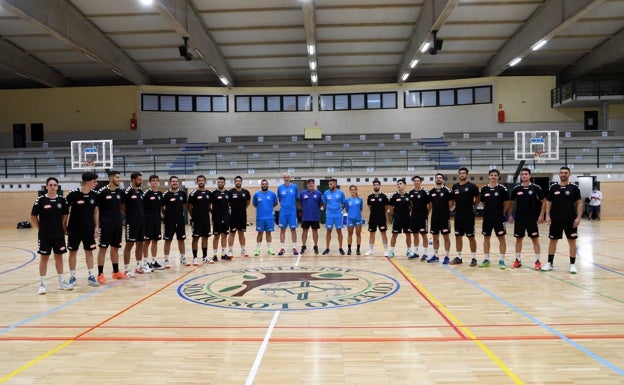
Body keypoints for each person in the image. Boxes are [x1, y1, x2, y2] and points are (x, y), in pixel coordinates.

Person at [31, 177, 71, 294]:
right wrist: (40, 229)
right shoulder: (41, 200)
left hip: (58, 235)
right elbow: (33, 216)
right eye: (51, 185)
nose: (53, 187)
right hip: (45, 235)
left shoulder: (62, 200)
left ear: (57, 187)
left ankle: (61, 282)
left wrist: (63, 228)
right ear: (46, 187)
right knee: (44, 258)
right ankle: (42, 284)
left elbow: (65, 215)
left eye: (55, 185)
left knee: (59, 258)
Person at [543, 166, 582, 273]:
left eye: (565, 172)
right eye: (561, 173)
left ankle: (572, 264)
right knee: (552, 241)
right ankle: (550, 263)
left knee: (572, 242)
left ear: (569, 174)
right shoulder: (553, 187)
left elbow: (579, 203)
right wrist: (547, 215)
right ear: (559, 174)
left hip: (570, 220)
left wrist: (578, 217)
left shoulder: (574, 188)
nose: (563, 174)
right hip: (555, 219)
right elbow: (548, 202)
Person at [66, 172, 100, 287]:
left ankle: (91, 275)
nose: (96, 183)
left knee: (89, 251)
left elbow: (96, 211)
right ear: (88, 182)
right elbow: (65, 213)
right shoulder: (73, 195)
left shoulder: (95, 195)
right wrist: (64, 226)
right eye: (95, 181)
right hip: (74, 229)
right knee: (72, 252)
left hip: (89, 229)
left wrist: (96, 227)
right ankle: (72, 276)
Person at [509, 167, 546, 270]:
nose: (524, 176)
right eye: (522, 174)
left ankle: (538, 261)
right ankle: (517, 260)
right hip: (520, 219)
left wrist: (541, 215)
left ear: (530, 176)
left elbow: (544, 201)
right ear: (520, 176)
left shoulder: (536, 188)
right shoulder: (516, 188)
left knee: (535, 240)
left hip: (532, 219)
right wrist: (510, 215)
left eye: (526, 174)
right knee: (518, 240)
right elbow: (511, 203)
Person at [96, 170, 125, 283]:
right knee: (103, 249)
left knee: (115, 248)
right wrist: (97, 225)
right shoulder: (102, 191)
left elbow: (122, 207)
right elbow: (96, 209)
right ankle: (100, 274)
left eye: (119, 177)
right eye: (117, 177)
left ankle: (116, 272)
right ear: (111, 178)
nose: (119, 179)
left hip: (117, 224)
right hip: (105, 224)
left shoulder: (120, 192)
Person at [478, 169, 510, 269]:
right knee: (486, 238)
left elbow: (507, 203)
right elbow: (483, 203)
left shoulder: (502, 189)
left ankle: (502, 260)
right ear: (489, 176)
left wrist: (501, 213)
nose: (493, 176)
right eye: (491, 175)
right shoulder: (484, 189)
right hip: (487, 218)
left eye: (495, 175)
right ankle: (486, 259)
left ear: (498, 177)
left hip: (499, 219)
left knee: (502, 239)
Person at [122, 171, 150, 277]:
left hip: (141, 222)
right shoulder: (127, 191)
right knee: (129, 245)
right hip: (131, 222)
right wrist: (129, 215)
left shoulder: (140, 191)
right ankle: (126, 269)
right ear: (133, 180)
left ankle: (138, 267)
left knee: (140, 243)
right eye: (139, 179)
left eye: (141, 179)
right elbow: (121, 205)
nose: (141, 181)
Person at [450, 167, 480, 267]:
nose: (462, 175)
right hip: (458, 216)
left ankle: (474, 258)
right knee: (458, 236)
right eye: (460, 173)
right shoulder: (455, 187)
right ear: (459, 175)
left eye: (464, 173)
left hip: (469, 216)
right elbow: (452, 200)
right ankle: (459, 257)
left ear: (467, 175)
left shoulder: (472, 186)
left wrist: (474, 206)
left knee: (471, 236)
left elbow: (478, 198)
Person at [427, 173, 453, 264]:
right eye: (437, 178)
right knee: (435, 237)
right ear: (435, 180)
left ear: (443, 180)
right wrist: (427, 214)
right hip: (434, 218)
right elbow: (430, 205)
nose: (438, 179)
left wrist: (444, 211)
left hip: (444, 218)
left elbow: (451, 204)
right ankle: (436, 256)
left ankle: (447, 256)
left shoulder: (447, 191)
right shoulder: (431, 191)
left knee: (446, 237)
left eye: (440, 178)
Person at [162, 175, 187, 267]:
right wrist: (167, 215)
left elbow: (184, 205)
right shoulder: (165, 194)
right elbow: (161, 207)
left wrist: (179, 214)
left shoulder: (182, 193)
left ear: (178, 182)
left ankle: (183, 258)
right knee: (168, 240)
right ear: (170, 182)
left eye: (176, 181)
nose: (174, 183)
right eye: (173, 181)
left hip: (180, 220)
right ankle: (166, 260)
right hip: (169, 221)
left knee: (181, 240)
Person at [188, 175, 212, 265]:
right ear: (197, 182)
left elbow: (209, 205)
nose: (201, 182)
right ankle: (195, 258)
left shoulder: (209, 193)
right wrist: (194, 216)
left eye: (202, 180)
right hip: (196, 220)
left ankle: (205, 256)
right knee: (195, 238)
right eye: (199, 180)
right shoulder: (194, 193)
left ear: (205, 181)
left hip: (206, 219)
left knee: (205, 237)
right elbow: (189, 206)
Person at [143, 174, 164, 270]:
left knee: (155, 241)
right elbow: (142, 208)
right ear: (150, 182)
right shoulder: (146, 193)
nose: (155, 182)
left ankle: (154, 261)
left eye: (156, 180)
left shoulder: (160, 194)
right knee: (147, 241)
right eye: (153, 180)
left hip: (157, 221)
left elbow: (161, 207)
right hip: (148, 221)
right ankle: (145, 262)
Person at [364, 179, 390, 256]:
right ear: (373, 186)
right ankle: (370, 250)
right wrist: (374, 213)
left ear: (379, 186)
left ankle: (386, 251)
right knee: (372, 234)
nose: (376, 186)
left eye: (377, 185)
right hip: (372, 218)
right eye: (374, 185)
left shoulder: (384, 196)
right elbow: (370, 207)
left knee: (383, 233)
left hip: (381, 218)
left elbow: (387, 207)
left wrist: (382, 214)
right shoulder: (370, 196)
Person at [253, 179, 278, 256]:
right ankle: (257, 249)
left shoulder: (272, 194)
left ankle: (269, 249)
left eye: (265, 184)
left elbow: (275, 203)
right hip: (260, 218)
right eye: (263, 184)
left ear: (268, 185)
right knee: (259, 234)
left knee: (268, 233)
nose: (264, 185)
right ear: (261, 185)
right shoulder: (256, 194)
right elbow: (254, 205)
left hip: (269, 217)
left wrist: (269, 208)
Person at [387, 179, 412, 258]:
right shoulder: (394, 196)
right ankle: (391, 251)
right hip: (397, 218)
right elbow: (390, 208)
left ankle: (408, 250)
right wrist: (397, 214)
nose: (399, 185)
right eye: (398, 184)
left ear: (404, 185)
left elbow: (411, 206)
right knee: (394, 235)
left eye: (400, 184)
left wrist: (407, 214)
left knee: (408, 235)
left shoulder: (409, 195)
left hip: (407, 219)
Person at [227, 176, 251, 257]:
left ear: (241, 182)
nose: (238, 182)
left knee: (241, 234)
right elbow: (228, 203)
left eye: (239, 181)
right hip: (233, 217)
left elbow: (248, 202)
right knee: (232, 233)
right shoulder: (230, 192)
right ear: (234, 182)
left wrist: (242, 209)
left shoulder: (246, 192)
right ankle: (230, 251)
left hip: (242, 217)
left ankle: (243, 250)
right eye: (236, 181)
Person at [277, 172, 299, 255]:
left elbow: (297, 198)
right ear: (283, 178)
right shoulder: (280, 188)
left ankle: (294, 247)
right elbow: (279, 199)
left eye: (288, 177)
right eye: (285, 177)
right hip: (283, 212)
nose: (286, 178)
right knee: (282, 230)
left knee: (293, 229)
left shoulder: (294, 187)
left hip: (292, 212)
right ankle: (282, 248)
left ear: (290, 178)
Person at [408, 175, 430, 261]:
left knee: (424, 235)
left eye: (418, 181)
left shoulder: (425, 192)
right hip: (414, 217)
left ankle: (425, 253)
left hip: (422, 217)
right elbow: (410, 205)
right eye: (415, 181)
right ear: (413, 182)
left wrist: (426, 213)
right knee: (415, 235)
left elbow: (430, 204)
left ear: (421, 182)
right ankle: (416, 252)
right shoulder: (410, 193)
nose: (416, 182)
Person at [322, 178, 346, 255]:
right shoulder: (326, 193)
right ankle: (327, 248)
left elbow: (343, 204)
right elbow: (324, 204)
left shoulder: (341, 193)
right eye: (329, 184)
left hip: (338, 215)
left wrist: (338, 211)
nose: (329, 185)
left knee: (339, 231)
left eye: (331, 184)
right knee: (328, 231)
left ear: (335, 184)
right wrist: (330, 210)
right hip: (329, 215)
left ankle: (340, 248)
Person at [299, 178, 323, 254]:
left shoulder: (318, 193)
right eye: (309, 183)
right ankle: (303, 245)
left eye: (312, 183)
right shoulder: (302, 193)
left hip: (315, 216)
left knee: (315, 231)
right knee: (304, 231)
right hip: (305, 216)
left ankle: (315, 246)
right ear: (307, 185)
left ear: (314, 184)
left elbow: (321, 204)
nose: (310, 184)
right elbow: (300, 203)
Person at [211, 176, 231, 261]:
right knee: (216, 236)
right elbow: (209, 205)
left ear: (224, 183)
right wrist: (214, 214)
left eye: (222, 182)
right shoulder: (213, 193)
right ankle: (215, 255)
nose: (220, 183)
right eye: (219, 182)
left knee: (224, 235)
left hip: (226, 217)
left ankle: (223, 254)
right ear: (217, 183)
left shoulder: (228, 193)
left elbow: (229, 204)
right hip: (216, 218)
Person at [345, 185, 364, 255]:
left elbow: (361, 209)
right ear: (350, 191)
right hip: (350, 219)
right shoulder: (347, 200)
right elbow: (347, 210)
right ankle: (349, 249)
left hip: (358, 219)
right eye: (352, 189)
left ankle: (358, 249)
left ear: (356, 190)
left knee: (358, 234)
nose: (353, 191)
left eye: (354, 189)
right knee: (350, 234)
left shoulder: (360, 199)